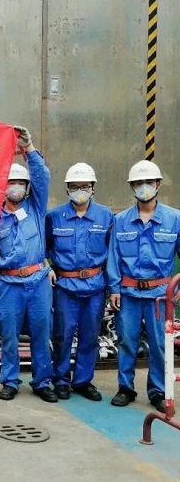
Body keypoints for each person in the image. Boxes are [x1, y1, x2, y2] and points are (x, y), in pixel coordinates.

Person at [0, 126, 57, 402]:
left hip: (37, 281)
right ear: (3, 186)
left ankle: (42, 381)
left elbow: (42, 176)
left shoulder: (36, 207)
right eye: (12, 182)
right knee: (9, 335)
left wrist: (28, 148)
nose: (17, 187)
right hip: (9, 283)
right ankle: (10, 381)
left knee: (41, 333)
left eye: (21, 183)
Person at [107, 160, 180, 413]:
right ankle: (125, 388)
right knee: (127, 341)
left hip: (161, 295)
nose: (144, 187)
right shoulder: (120, 220)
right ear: (131, 187)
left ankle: (157, 390)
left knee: (159, 344)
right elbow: (114, 257)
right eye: (138, 183)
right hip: (128, 293)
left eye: (149, 182)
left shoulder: (174, 219)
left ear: (158, 184)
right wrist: (114, 289)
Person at [45, 164, 113, 402]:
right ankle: (61, 380)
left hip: (96, 286)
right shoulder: (54, 217)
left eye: (84, 186)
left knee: (90, 336)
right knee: (62, 335)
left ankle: (83, 381)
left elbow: (113, 253)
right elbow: (43, 249)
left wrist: (112, 287)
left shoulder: (106, 216)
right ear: (67, 189)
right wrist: (47, 267)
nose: (79, 191)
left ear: (93, 188)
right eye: (74, 187)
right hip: (65, 287)